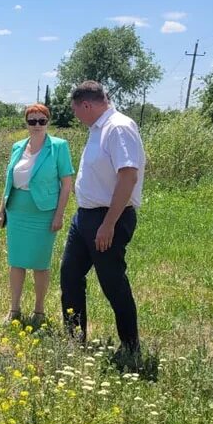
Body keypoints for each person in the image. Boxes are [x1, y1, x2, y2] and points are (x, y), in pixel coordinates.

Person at [60, 81, 146, 368]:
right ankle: (74, 337)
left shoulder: (118, 127)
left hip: (109, 217)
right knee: (70, 275)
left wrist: (108, 224)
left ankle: (131, 345)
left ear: (87, 105)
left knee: (112, 282)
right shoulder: (97, 129)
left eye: (75, 110)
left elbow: (128, 176)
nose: (75, 116)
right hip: (85, 216)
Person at [0, 103, 74, 327]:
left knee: (40, 263)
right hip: (17, 210)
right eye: (32, 121)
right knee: (16, 262)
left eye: (42, 120)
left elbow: (66, 184)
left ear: (48, 122)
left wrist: (59, 215)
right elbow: (8, 181)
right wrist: (2, 208)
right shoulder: (17, 147)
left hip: (43, 212)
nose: (37, 125)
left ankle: (39, 311)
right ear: (26, 123)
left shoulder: (59, 147)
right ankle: (14, 309)